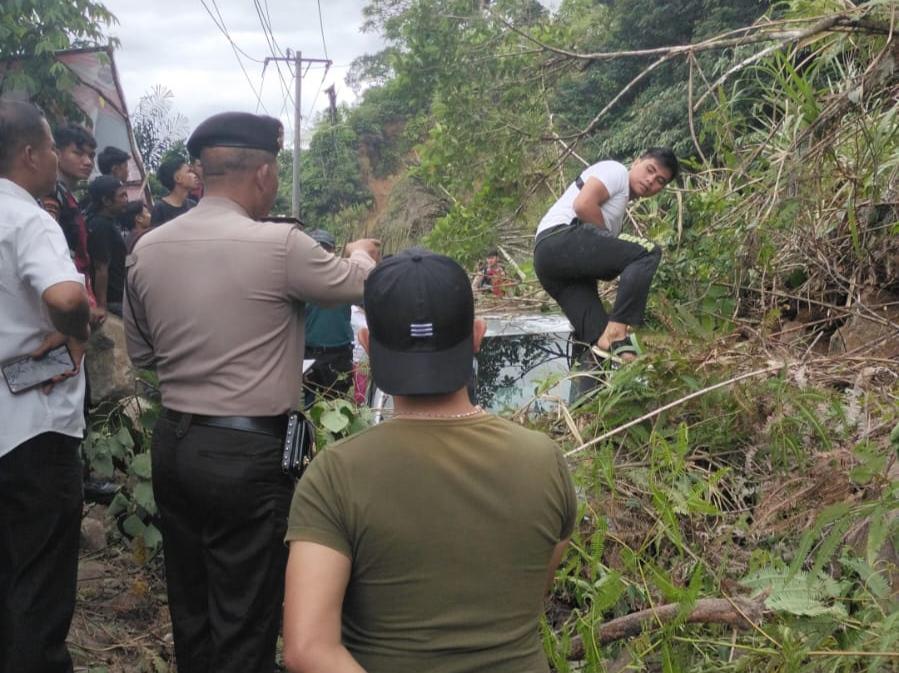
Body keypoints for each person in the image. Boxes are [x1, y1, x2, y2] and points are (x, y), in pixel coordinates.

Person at [123, 111, 380, 673]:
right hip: (247, 457)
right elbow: (360, 284)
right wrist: (362, 251)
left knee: (192, 607)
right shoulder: (281, 246)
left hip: (174, 445)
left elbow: (142, 358)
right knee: (247, 614)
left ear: (203, 170)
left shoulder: (147, 248)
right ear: (264, 174)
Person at [282, 248, 577, 673]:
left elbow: (307, 649)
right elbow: (531, 589)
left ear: (366, 344)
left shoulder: (336, 474)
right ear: (477, 336)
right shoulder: (545, 461)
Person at [0, 100, 91, 673]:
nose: (59, 156)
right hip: (34, 425)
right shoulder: (29, 218)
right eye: (54, 146)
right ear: (30, 154)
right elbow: (64, 297)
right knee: (38, 583)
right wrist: (77, 335)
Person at [534, 148, 679, 367]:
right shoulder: (616, 171)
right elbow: (583, 205)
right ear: (637, 160)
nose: (651, 181)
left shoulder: (617, 212)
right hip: (559, 237)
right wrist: (610, 242)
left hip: (552, 266)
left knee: (601, 348)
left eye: (660, 181)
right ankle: (618, 330)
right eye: (650, 170)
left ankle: (589, 395)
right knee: (647, 252)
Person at [47, 123, 101, 321]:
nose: (87, 162)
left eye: (91, 156)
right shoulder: (51, 194)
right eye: (78, 153)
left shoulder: (67, 196)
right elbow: (52, 254)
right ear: (57, 153)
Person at [303, 228, 355, 406]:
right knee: (305, 408)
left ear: (333, 251)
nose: (322, 253)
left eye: (326, 248)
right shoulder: (299, 277)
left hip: (338, 355)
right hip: (307, 354)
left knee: (338, 409)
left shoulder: (344, 276)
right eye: (317, 248)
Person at [86, 175, 128, 317]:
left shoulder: (108, 222)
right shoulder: (100, 226)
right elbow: (100, 268)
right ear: (106, 201)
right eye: (121, 196)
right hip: (113, 301)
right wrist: (102, 306)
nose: (126, 200)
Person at [150, 156, 198, 225]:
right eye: (189, 172)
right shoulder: (160, 208)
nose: (194, 175)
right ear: (178, 178)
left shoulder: (193, 205)